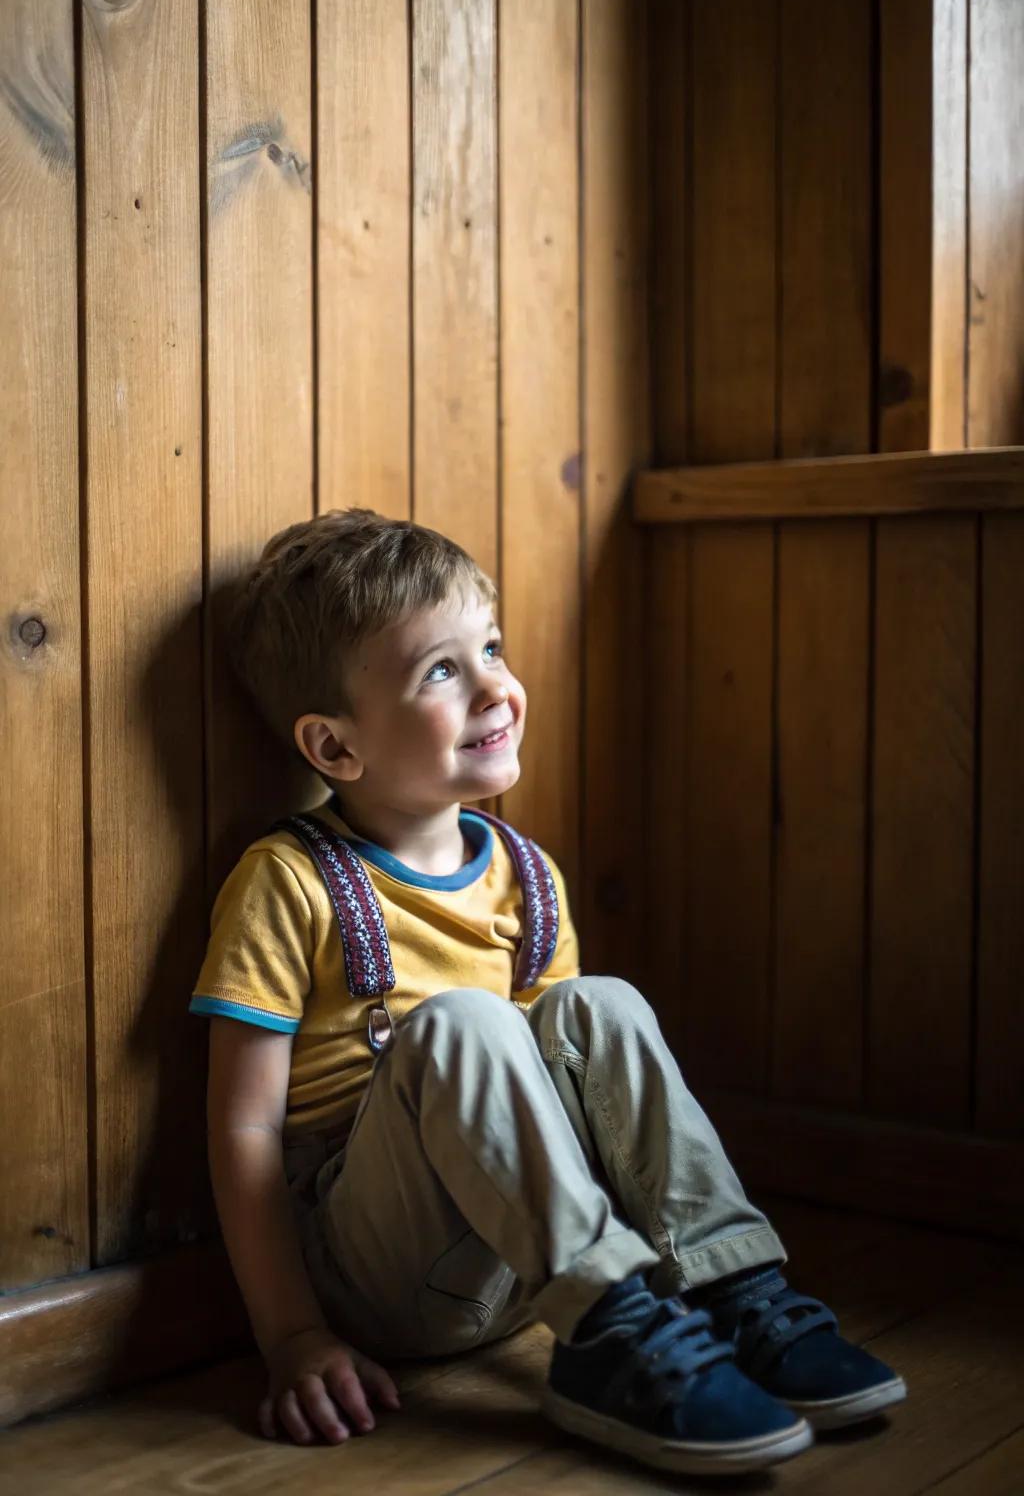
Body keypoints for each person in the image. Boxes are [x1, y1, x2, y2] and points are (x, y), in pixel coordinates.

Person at [191, 508, 905, 1477]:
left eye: (489, 648)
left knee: (595, 1006)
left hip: (521, 1259)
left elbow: (572, 1103)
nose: (494, 686)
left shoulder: (525, 875)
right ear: (334, 748)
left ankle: (727, 1289)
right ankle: (608, 1332)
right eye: (440, 671)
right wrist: (290, 1338)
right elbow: (244, 1131)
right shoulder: (289, 881)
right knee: (464, 1024)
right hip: (378, 1274)